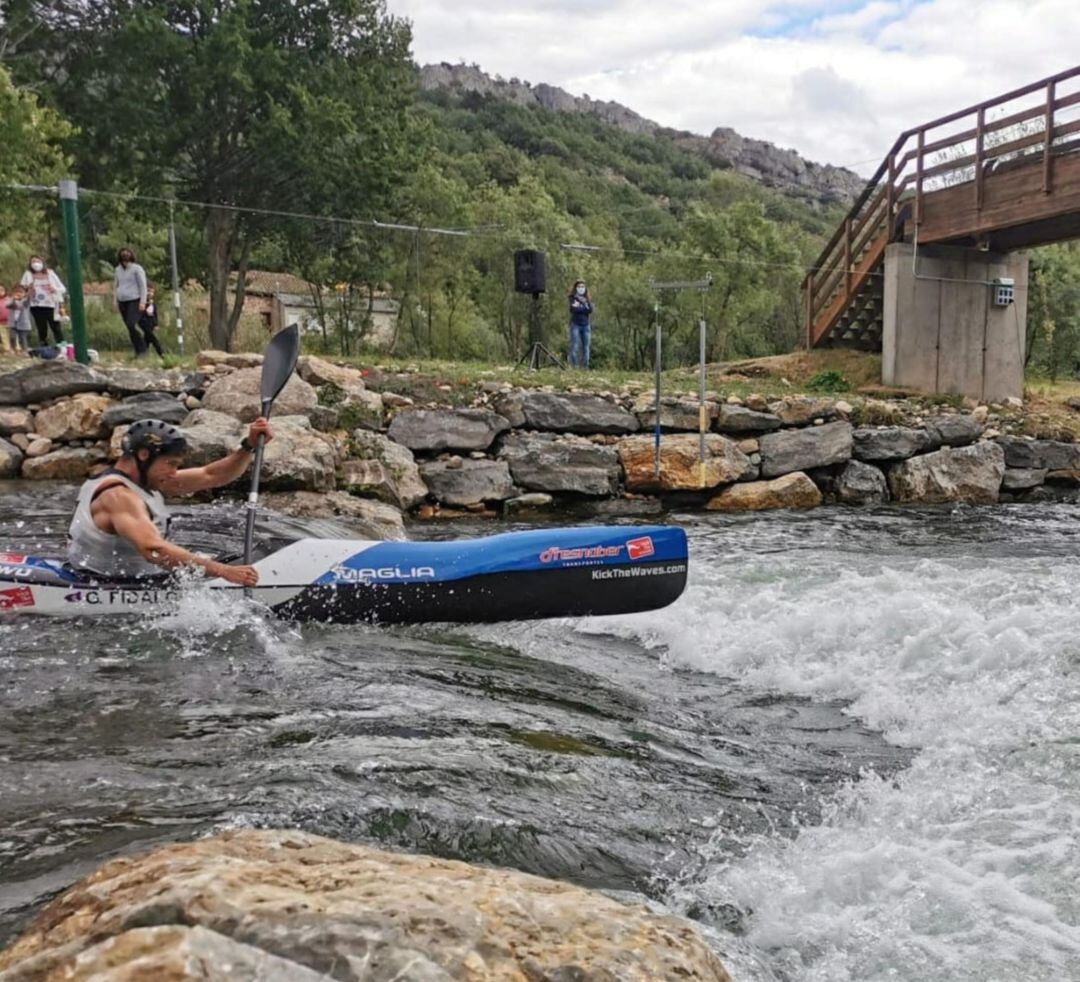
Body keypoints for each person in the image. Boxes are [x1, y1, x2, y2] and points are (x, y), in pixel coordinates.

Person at [67, 417, 274, 586]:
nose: (174, 472)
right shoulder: (119, 497)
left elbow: (212, 475)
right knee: (224, 567)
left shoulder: (146, 480)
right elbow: (154, 550)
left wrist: (248, 447)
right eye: (171, 464)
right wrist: (224, 571)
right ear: (144, 455)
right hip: (105, 584)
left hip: (135, 577)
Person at [19, 255, 66, 345]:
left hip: (51, 304)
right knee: (41, 328)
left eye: (38, 261)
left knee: (55, 326)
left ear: (42, 262)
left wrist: (54, 289)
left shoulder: (50, 273)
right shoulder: (28, 274)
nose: (36, 263)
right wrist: (29, 290)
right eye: (33, 261)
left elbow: (62, 288)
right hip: (36, 305)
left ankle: (62, 346)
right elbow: (22, 291)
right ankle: (44, 347)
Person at [113, 247, 149, 356]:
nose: (125, 255)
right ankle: (138, 351)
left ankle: (143, 348)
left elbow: (143, 285)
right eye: (123, 253)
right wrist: (115, 302)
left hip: (135, 300)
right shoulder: (117, 270)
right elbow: (116, 286)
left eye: (127, 253)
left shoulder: (137, 269)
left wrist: (143, 301)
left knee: (131, 323)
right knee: (129, 327)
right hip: (122, 301)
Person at [567, 280, 593, 369]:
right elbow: (573, 309)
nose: (581, 288)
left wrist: (580, 308)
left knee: (586, 347)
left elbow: (590, 310)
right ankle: (575, 366)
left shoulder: (587, 299)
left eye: (583, 287)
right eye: (579, 287)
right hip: (575, 325)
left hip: (586, 325)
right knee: (575, 346)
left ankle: (585, 366)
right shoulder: (572, 298)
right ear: (576, 288)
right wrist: (583, 309)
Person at [138, 284, 165, 356]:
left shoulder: (153, 304)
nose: (150, 293)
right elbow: (140, 312)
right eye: (148, 291)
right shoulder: (142, 302)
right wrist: (147, 304)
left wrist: (156, 324)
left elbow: (155, 314)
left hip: (151, 323)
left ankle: (142, 353)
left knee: (147, 339)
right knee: (153, 338)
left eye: (152, 292)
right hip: (144, 322)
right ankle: (161, 352)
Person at [6, 286, 34, 354]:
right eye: (16, 292)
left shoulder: (25, 302)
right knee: (12, 336)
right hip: (13, 323)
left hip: (23, 323)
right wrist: (13, 299)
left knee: (23, 338)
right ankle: (13, 349)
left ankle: (25, 350)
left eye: (21, 292)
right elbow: (8, 305)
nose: (18, 294)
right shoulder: (11, 301)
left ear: (24, 294)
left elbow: (28, 300)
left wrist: (29, 293)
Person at [0, 285, 10, 355]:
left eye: (2, 289)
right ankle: (7, 349)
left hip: (10, 321)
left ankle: (17, 348)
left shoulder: (9, 299)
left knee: (13, 335)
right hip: (0, 322)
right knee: (4, 336)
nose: (0, 291)